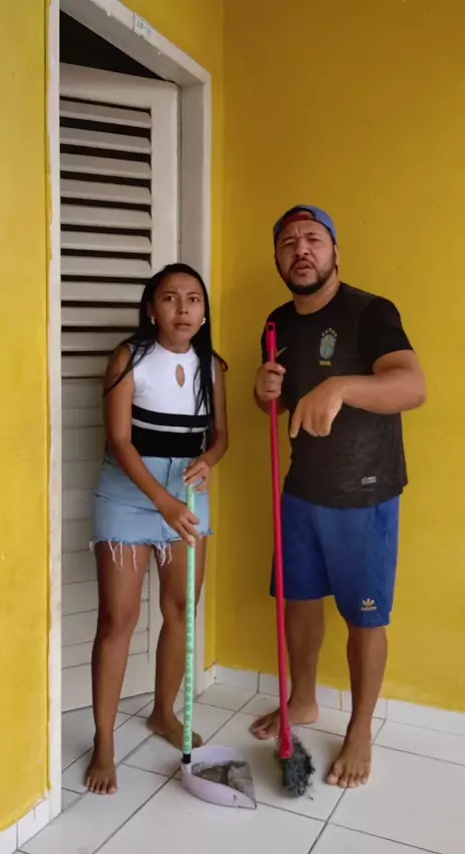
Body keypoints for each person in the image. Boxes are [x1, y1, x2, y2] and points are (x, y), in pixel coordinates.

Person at [252, 205, 426, 789]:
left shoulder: (370, 312)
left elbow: (412, 386)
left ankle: (359, 729)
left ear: (334, 252)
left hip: (366, 492)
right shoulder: (276, 322)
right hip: (303, 487)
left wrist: (342, 386)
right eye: (288, 242)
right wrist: (261, 391)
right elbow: (277, 407)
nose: (301, 249)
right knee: (299, 600)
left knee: (364, 617)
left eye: (313, 239)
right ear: (278, 259)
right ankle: (303, 700)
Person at [86, 262, 228, 795]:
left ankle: (163, 713)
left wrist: (209, 460)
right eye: (170, 298)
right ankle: (104, 740)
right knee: (116, 620)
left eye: (194, 299)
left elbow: (221, 437)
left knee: (181, 611)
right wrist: (162, 501)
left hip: (186, 494)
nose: (183, 308)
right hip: (130, 492)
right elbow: (120, 441)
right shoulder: (129, 358)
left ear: (204, 312)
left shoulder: (211, 365)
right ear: (151, 309)